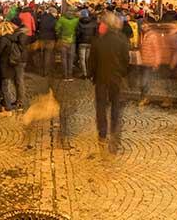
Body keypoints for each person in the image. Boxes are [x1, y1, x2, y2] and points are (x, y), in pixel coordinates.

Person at [87, 13, 130, 153]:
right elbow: (126, 60)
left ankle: (102, 133)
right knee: (115, 105)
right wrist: (122, 73)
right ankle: (114, 130)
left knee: (101, 106)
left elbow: (92, 61)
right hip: (116, 79)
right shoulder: (122, 40)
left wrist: (91, 75)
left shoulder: (98, 41)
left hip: (101, 79)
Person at [0, 21, 29, 114]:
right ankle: (14, 101)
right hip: (14, 61)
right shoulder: (14, 35)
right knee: (13, 81)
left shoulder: (19, 34)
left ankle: (19, 102)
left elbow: (21, 48)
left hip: (18, 61)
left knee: (17, 81)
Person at [55, 8, 79, 80]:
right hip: (72, 41)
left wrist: (59, 35)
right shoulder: (76, 20)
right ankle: (70, 75)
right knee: (71, 58)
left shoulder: (61, 19)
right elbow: (78, 29)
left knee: (64, 58)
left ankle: (65, 75)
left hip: (63, 41)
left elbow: (57, 29)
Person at [76, 9, 98, 79]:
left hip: (82, 42)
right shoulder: (93, 22)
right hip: (90, 42)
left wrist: (78, 40)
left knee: (82, 59)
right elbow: (95, 33)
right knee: (88, 59)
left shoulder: (79, 22)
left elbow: (78, 33)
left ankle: (84, 74)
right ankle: (89, 73)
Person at [38, 7, 58, 76]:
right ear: (52, 12)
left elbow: (39, 26)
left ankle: (41, 69)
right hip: (50, 39)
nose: (56, 14)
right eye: (56, 13)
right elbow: (55, 29)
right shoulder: (54, 20)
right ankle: (46, 71)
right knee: (48, 55)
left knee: (42, 54)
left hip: (42, 38)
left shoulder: (43, 17)